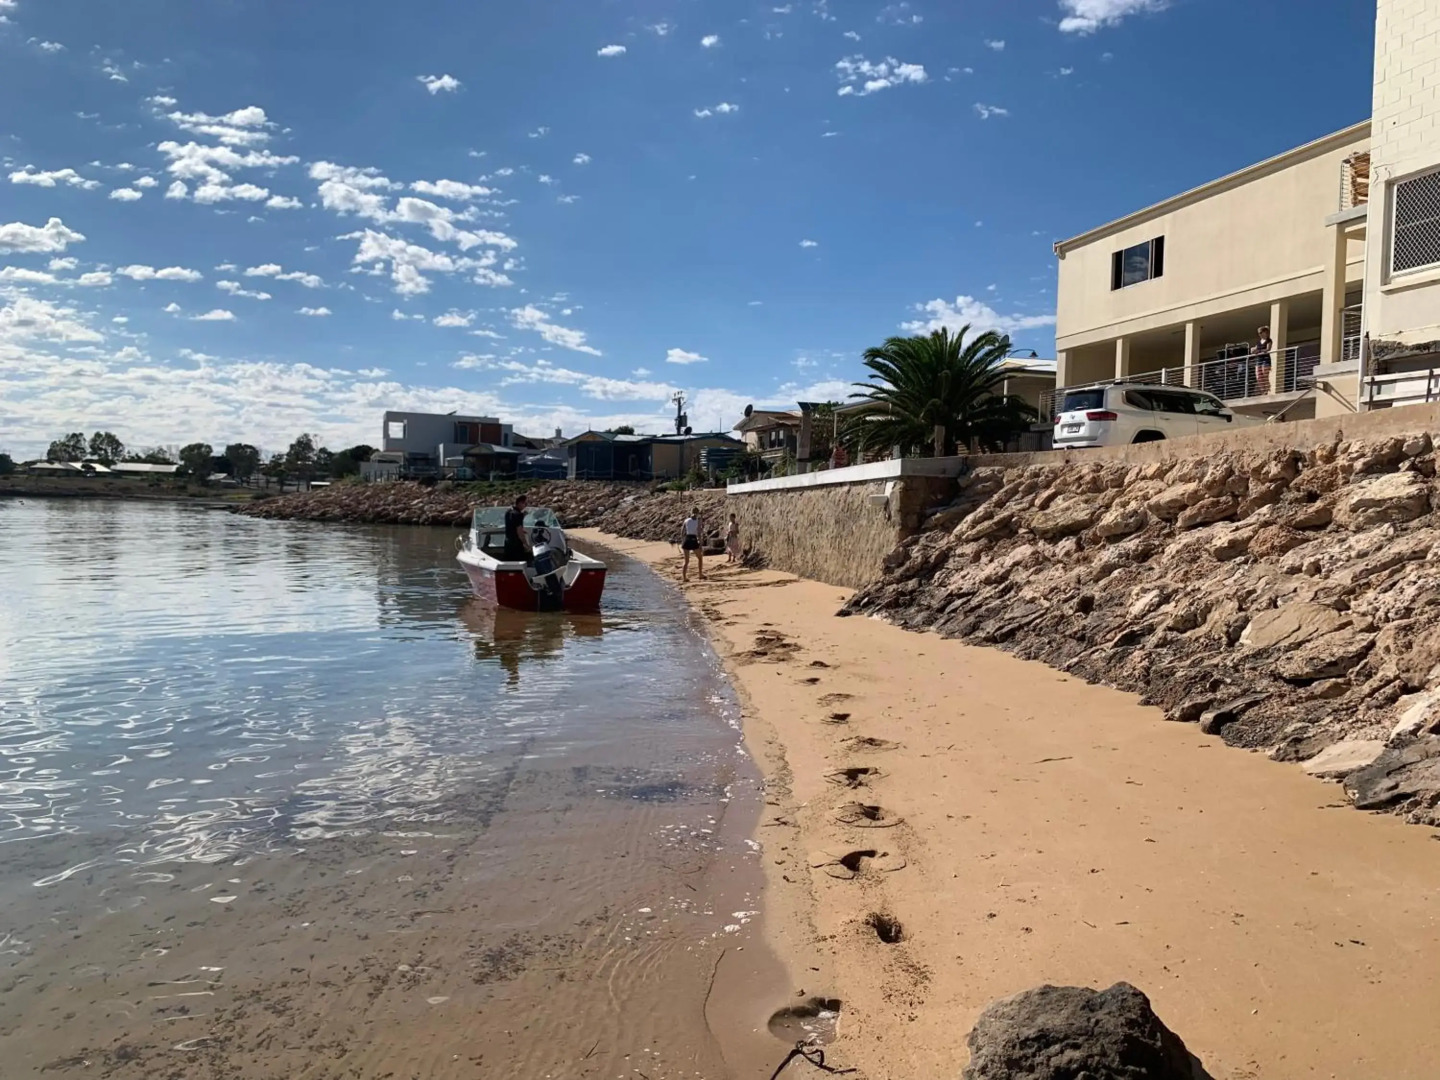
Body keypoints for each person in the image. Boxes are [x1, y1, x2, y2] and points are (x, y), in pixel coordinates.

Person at [503, 494, 529, 562]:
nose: (525, 506)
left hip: (508, 543)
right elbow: (519, 532)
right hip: (516, 545)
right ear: (520, 503)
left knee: (509, 563)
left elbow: (512, 524)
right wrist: (526, 544)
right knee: (519, 563)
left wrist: (523, 515)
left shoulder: (508, 512)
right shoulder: (518, 515)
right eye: (525, 503)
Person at [681, 507, 704, 582]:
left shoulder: (686, 520)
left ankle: (684, 577)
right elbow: (699, 532)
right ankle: (700, 574)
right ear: (697, 513)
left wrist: (683, 540)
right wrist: (700, 543)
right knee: (700, 557)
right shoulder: (698, 521)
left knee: (686, 561)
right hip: (693, 538)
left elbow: (682, 532)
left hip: (687, 538)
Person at [1253, 325, 1273, 396]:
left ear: (1265, 332)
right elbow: (1255, 348)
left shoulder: (1268, 340)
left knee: (1265, 374)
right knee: (1259, 376)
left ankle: (1267, 389)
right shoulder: (1259, 342)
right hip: (1259, 359)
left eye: (1261, 332)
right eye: (1259, 333)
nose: (1260, 334)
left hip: (1265, 359)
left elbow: (1268, 349)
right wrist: (1253, 350)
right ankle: (1263, 391)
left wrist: (1259, 351)